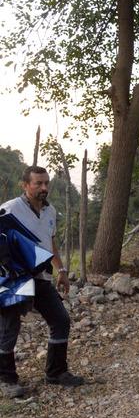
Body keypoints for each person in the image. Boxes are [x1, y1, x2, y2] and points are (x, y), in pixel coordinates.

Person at [0, 166, 85, 398]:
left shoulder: (50, 211)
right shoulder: (10, 209)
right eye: (38, 183)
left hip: (41, 276)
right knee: (9, 327)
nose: (44, 188)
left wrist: (62, 270)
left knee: (60, 320)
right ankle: (7, 380)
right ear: (25, 185)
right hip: (15, 279)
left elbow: (51, 242)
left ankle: (56, 373)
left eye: (46, 183)